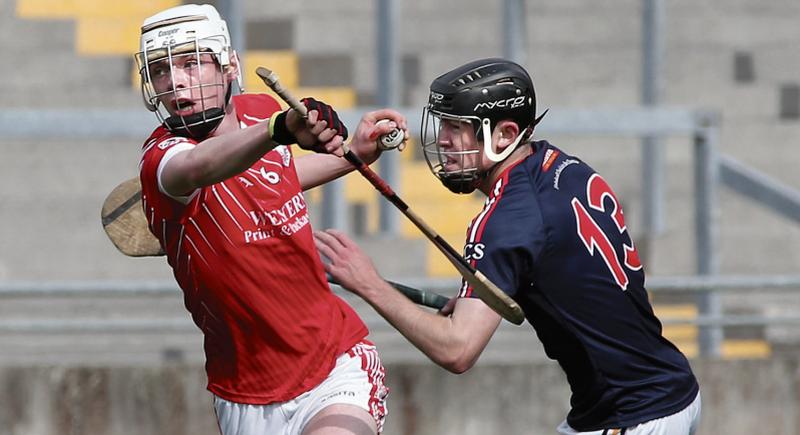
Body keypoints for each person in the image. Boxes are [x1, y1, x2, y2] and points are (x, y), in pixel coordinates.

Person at [316, 58, 701, 434]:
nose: (442, 141)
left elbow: (457, 350)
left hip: (632, 416)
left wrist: (369, 284)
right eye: (443, 125)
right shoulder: (561, 166)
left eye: (457, 127)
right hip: (658, 393)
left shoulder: (506, 219)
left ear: (504, 134)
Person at [134, 4, 407, 435]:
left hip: (333, 363)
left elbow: (276, 178)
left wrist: (355, 155)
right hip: (243, 394)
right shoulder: (162, 161)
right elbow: (199, 169)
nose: (176, 80)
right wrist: (278, 130)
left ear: (228, 66)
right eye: (162, 70)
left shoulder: (259, 109)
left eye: (191, 62)